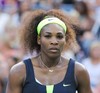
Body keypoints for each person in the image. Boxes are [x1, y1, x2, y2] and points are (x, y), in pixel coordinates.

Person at [6, 9, 92, 93]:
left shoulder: (79, 71)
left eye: (59, 36)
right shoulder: (19, 71)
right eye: (48, 36)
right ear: (39, 39)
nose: (54, 41)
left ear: (65, 39)